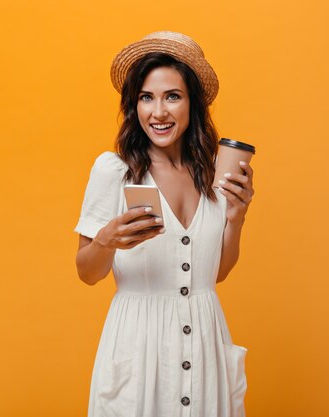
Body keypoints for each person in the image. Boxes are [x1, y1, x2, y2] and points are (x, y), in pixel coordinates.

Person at [74, 31, 255, 417]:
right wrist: (106, 240)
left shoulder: (212, 173)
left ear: (193, 104)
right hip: (139, 349)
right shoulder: (115, 171)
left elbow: (215, 274)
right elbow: (87, 272)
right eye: (146, 97)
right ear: (133, 105)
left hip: (205, 343)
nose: (158, 112)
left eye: (172, 96)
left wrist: (236, 217)